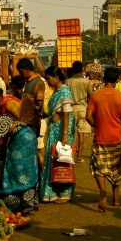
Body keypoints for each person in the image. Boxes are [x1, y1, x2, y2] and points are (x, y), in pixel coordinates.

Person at [86, 66, 121, 212]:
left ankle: (102, 191)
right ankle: (117, 199)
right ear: (117, 79)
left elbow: (88, 116)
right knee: (115, 168)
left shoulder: (96, 95)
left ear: (104, 78)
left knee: (99, 167)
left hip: (100, 137)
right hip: (116, 138)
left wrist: (97, 125)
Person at [40, 65, 75, 204]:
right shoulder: (57, 91)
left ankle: (64, 193)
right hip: (55, 130)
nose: (48, 81)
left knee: (62, 161)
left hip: (61, 131)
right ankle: (54, 191)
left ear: (55, 78)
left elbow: (66, 113)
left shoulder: (64, 92)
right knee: (56, 160)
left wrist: (65, 134)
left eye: (48, 78)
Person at [65, 61, 93, 163]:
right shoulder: (86, 82)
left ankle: (71, 155)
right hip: (82, 109)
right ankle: (79, 156)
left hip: (70, 109)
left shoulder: (68, 81)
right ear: (82, 69)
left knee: (72, 134)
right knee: (81, 134)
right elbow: (91, 96)